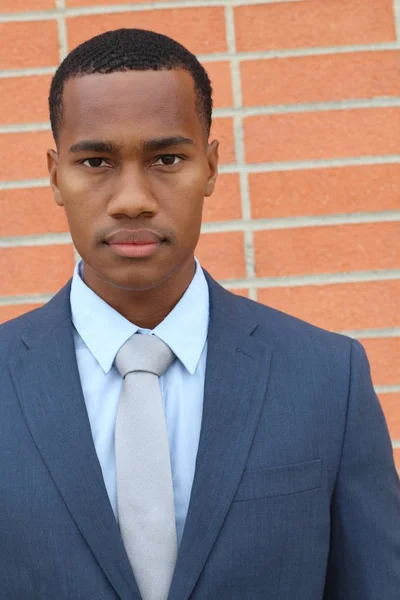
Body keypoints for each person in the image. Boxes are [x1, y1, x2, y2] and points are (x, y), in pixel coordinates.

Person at [0, 28, 399, 600]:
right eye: (95, 160)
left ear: (210, 167)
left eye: (167, 157)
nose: (132, 197)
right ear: (54, 175)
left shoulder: (328, 377)